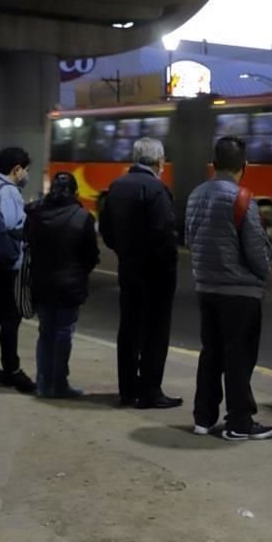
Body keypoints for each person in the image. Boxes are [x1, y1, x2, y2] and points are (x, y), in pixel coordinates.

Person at [185, 136, 272, 441]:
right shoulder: (243, 198)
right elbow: (255, 252)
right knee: (239, 356)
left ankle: (203, 417)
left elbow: (189, 238)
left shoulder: (196, 194)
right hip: (240, 293)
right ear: (244, 166)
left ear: (215, 164)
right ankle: (239, 422)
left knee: (211, 352)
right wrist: (264, 272)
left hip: (206, 287)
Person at [99, 137, 181, 409]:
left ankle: (127, 390)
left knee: (130, 328)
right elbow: (164, 234)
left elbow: (106, 230)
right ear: (159, 162)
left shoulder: (117, 186)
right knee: (155, 333)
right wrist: (167, 266)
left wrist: (124, 251)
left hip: (129, 269)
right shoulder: (157, 189)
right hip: (156, 274)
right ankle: (150, 391)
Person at [25, 172, 99, 398]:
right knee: (64, 332)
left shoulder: (36, 214)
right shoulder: (83, 218)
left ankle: (43, 383)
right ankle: (59, 384)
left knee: (45, 332)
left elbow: (27, 243)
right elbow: (90, 256)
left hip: (41, 283)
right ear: (76, 193)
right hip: (69, 285)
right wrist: (78, 273)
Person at [0, 146, 36, 393]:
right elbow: (12, 226)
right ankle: (11, 370)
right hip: (10, 263)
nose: (26, 174)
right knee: (11, 318)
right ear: (17, 169)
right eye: (26, 170)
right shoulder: (10, 191)